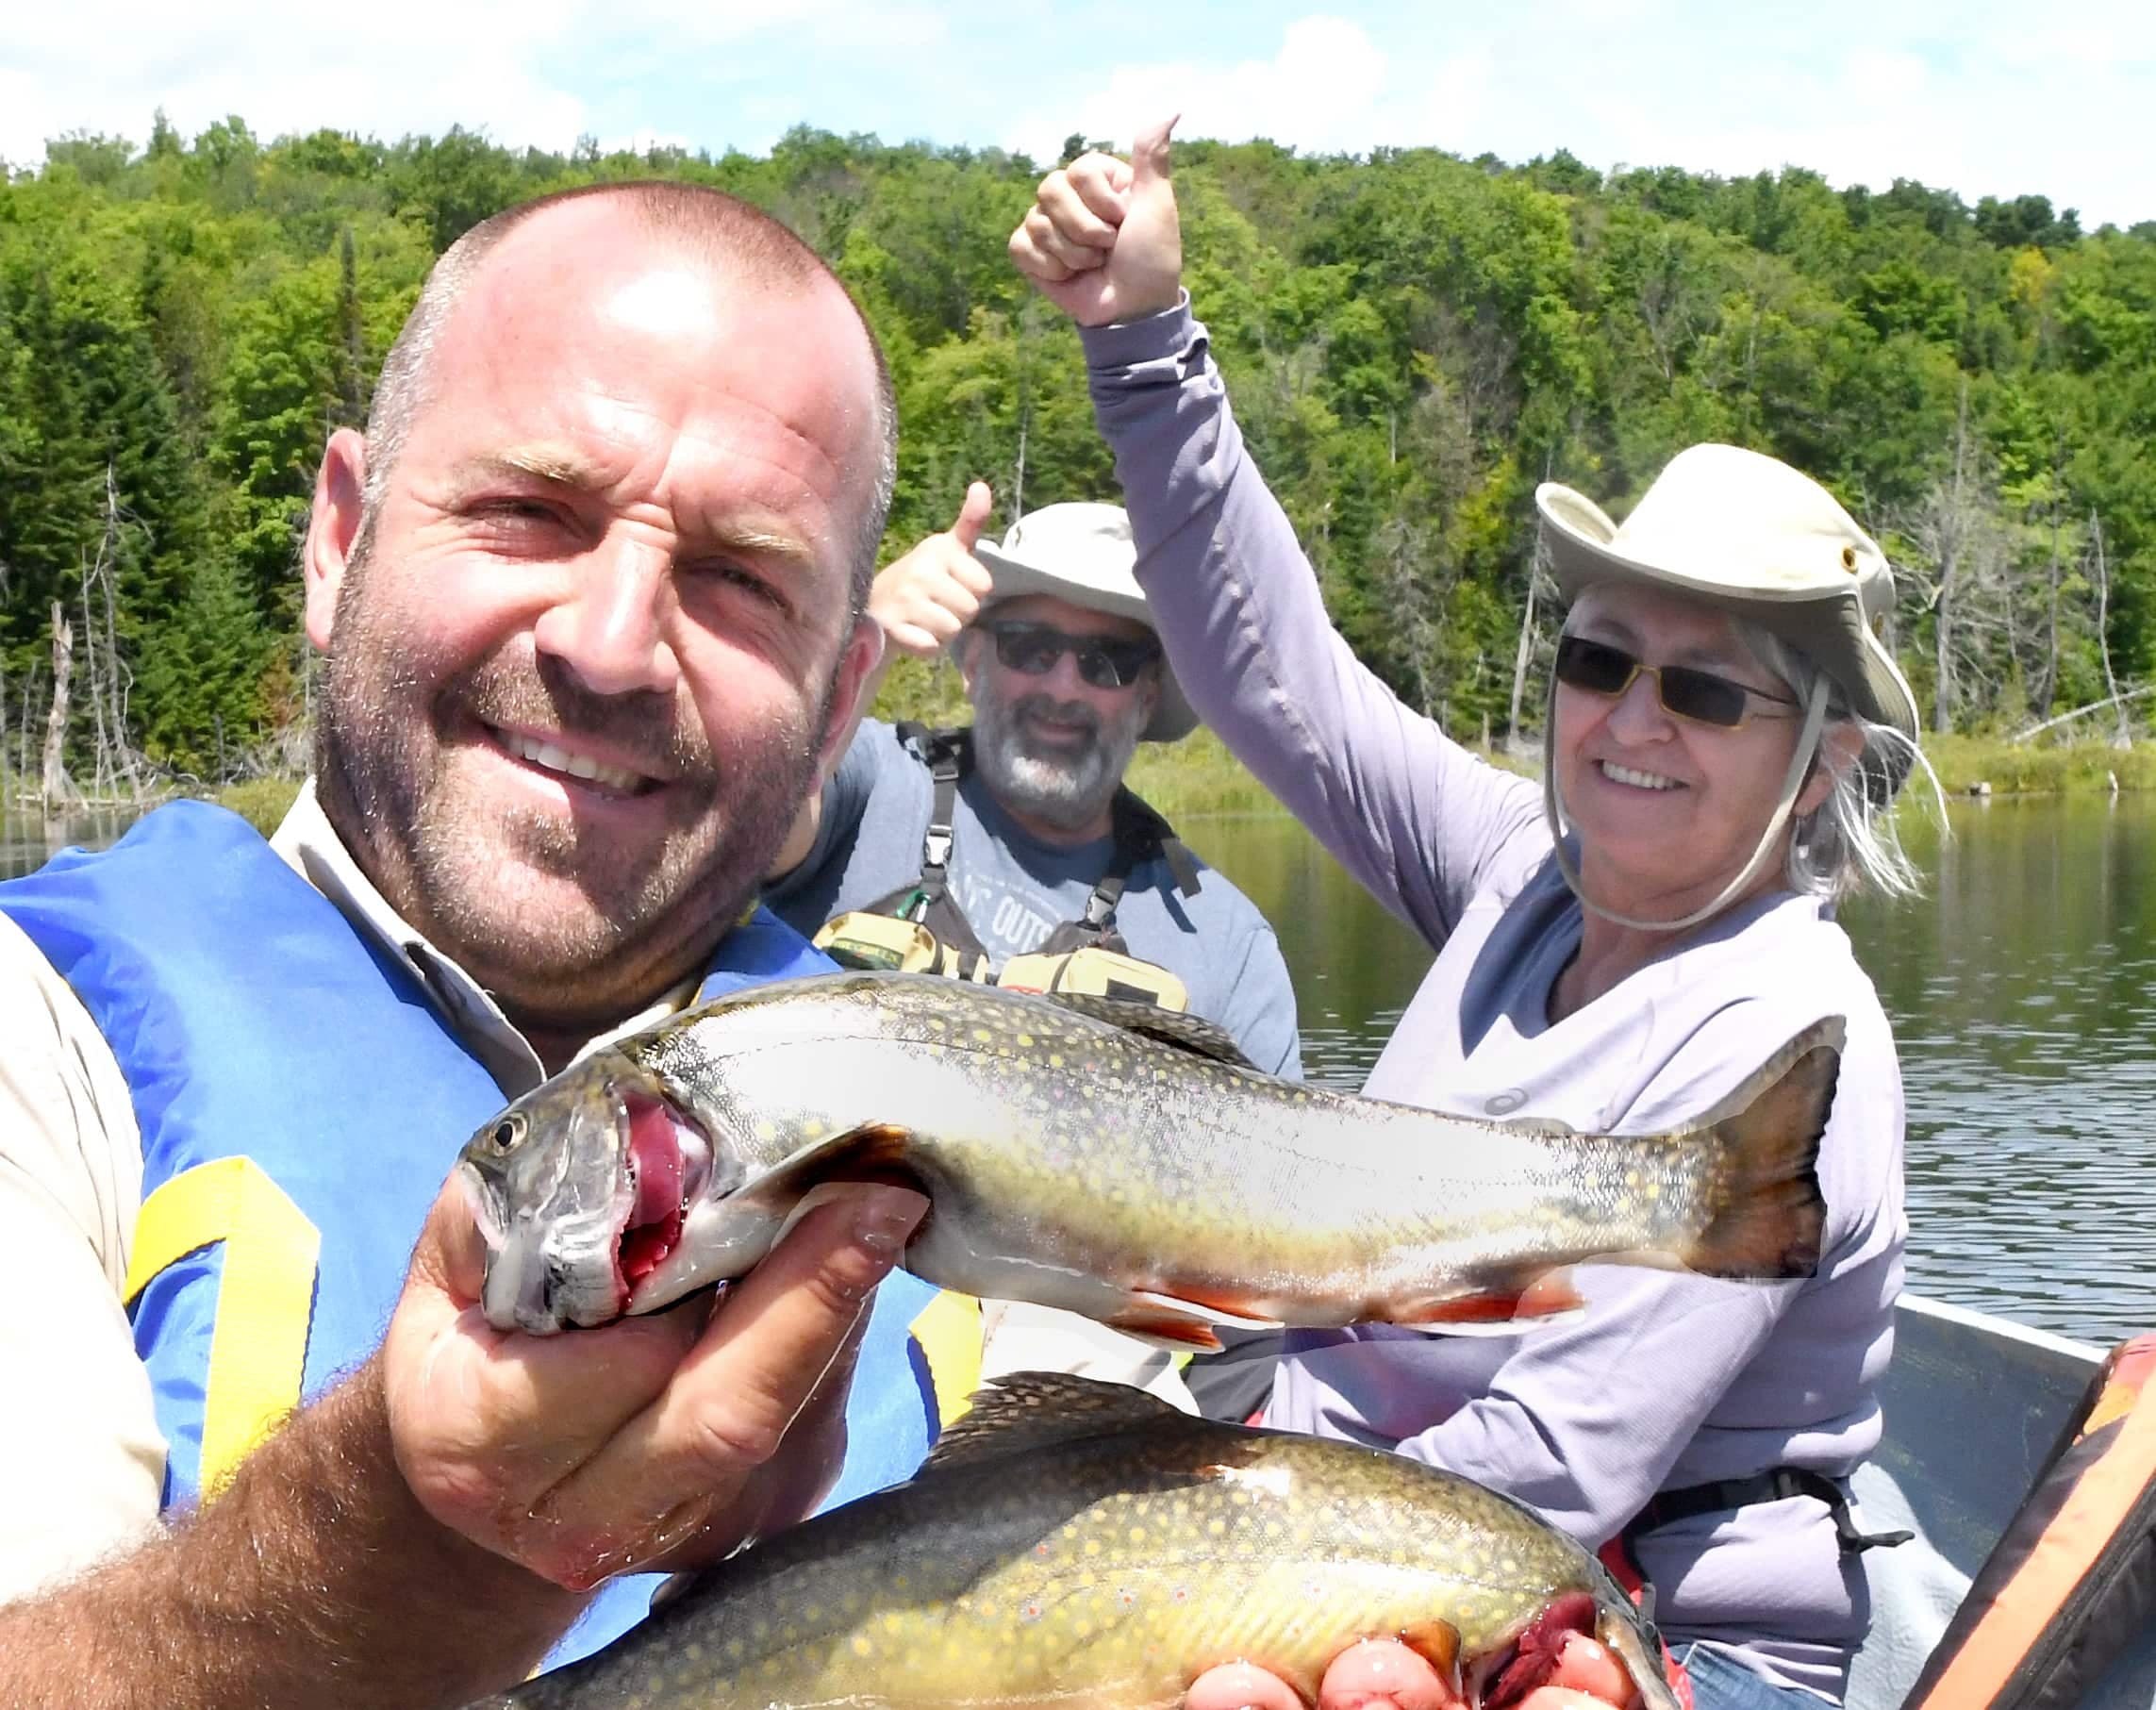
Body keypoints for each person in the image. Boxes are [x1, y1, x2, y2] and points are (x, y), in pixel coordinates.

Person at [1011, 123, 1934, 1710]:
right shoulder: (1521, 865)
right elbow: (1275, 676)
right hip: (1347, 1527)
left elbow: (1552, 1472)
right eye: (1599, 660)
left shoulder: (1792, 1040)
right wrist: (1142, 340)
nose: (1631, 722)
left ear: (1817, 763)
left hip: (1670, 1640)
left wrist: (1182, 1559)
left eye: (1705, 688)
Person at [0, 181, 941, 1707]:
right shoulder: (34, 1038)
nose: (611, 640)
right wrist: (422, 1535)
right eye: (528, 514)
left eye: (739, 578)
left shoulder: (966, 1115)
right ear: (339, 540)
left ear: (842, 702)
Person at [765, 488, 1301, 1419]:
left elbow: (1266, 1274)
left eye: (1103, 661)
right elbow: (732, 818)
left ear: (1145, 695)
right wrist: (851, 648)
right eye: (1027, 646)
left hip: (1048, 1450)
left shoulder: (1225, 941)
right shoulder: (850, 780)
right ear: (972, 656)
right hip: (785, 1364)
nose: (1060, 684)